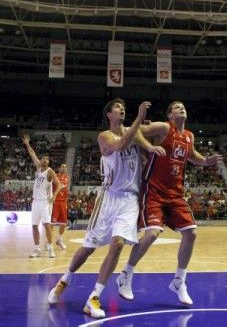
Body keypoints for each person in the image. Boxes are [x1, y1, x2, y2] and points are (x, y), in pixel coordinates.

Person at [48, 99, 165, 319]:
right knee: (88, 247)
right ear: (109, 115)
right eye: (117, 108)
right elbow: (120, 145)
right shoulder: (104, 136)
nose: (122, 110)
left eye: (123, 108)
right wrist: (139, 120)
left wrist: (153, 137)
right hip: (108, 198)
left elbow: (157, 131)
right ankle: (65, 279)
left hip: (130, 199)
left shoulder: (134, 132)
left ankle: (94, 297)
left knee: (119, 242)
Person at [117, 101, 223, 305]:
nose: (182, 108)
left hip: (175, 194)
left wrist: (206, 161)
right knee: (152, 234)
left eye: (184, 106)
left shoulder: (189, 136)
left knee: (191, 233)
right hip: (154, 190)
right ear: (170, 115)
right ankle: (126, 274)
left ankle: (179, 281)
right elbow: (133, 131)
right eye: (176, 107)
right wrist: (148, 144)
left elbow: (192, 156)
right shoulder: (164, 127)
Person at [22, 135, 62, 258]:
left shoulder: (50, 171)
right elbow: (32, 154)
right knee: (34, 226)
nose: (44, 160)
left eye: (46, 159)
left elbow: (59, 185)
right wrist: (27, 144)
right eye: (43, 158)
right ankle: (36, 248)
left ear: (48, 162)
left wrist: (54, 196)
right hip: (36, 202)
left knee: (46, 225)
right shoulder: (38, 168)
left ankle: (50, 247)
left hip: (45, 202)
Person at [51, 163, 70, 249]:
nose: (64, 168)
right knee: (52, 222)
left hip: (63, 202)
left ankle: (59, 239)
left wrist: (66, 202)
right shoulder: (55, 176)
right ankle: (48, 242)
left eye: (65, 167)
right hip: (55, 201)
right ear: (59, 168)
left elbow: (66, 190)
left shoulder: (67, 177)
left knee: (63, 223)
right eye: (62, 167)